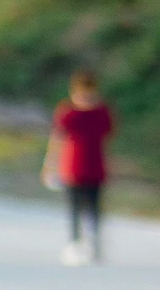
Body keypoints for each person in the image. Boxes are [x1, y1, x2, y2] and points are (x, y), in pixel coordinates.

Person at [47, 69, 116, 265]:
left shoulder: (93, 111)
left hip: (86, 166)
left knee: (88, 207)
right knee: (81, 207)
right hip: (78, 166)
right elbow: (58, 138)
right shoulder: (73, 112)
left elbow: (107, 138)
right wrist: (51, 165)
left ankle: (87, 243)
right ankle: (79, 243)